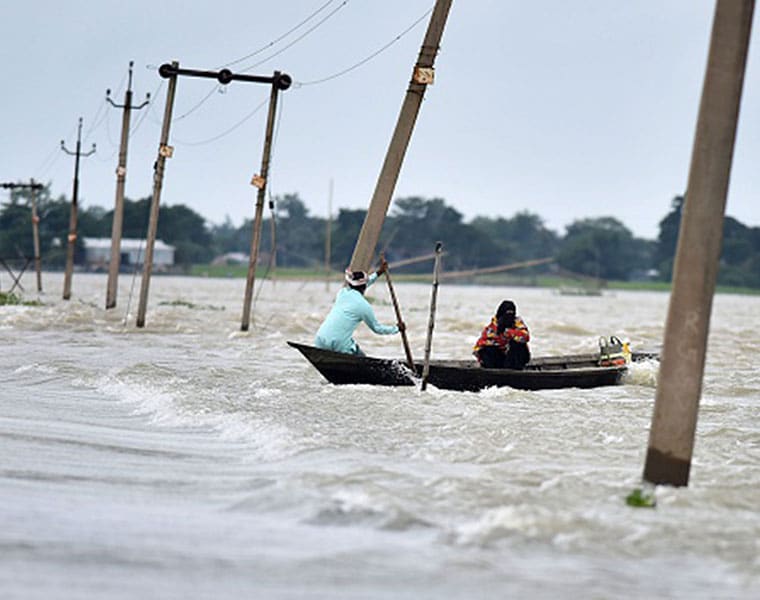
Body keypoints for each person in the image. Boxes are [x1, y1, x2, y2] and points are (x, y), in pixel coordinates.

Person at [314, 260, 400, 356]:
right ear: (364, 287)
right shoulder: (364, 306)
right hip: (339, 345)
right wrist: (397, 329)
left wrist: (378, 273)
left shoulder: (342, 293)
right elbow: (377, 328)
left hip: (320, 340)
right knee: (363, 358)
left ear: (350, 284)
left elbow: (363, 284)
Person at [473, 300, 531, 369]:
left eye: (511, 314)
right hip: (499, 359)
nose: (509, 317)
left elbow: (526, 337)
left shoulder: (517, 323)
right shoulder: (492, 327)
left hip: (515, 360)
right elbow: (479, 347)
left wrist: (509, 332)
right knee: (487, 350)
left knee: (517, 344)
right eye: (506, 314)